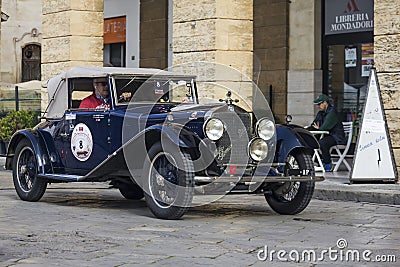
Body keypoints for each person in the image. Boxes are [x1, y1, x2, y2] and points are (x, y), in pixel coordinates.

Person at [308, 94, 346, 171]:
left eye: (319, 104)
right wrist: (305, 130)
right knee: (310, 141)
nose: (318, 106)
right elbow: (314, 125)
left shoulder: (332, 112)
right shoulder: (320, 113)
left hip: (337, 137)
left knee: (322, 143)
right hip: (326, 135)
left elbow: (324, 128)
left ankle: (327, 163)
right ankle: (319, 161)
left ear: (325, 103)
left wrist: (319, 128)